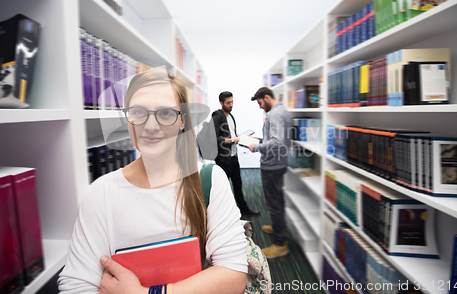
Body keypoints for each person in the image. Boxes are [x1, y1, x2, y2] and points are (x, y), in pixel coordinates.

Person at [58, 70, 247, 294]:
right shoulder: (101, 192)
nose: (150, 125)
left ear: (182, 121)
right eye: (138, 112)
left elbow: (233, 277)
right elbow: (77, 286)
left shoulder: (210, 179)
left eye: (165, 113)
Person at [248, 87, 292, 259]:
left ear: (266, 98)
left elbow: (277, 142)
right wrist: (259, 140)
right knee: (278, 200)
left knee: (273, 203)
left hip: (272, 167)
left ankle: (279, 244)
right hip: (279, 164)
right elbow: (276, 139)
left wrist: (256, 147)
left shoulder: (274, 115)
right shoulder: (283, 111)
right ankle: (279, 227)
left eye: (260, 103)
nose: (260, 107)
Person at [212, 91, 260, 217]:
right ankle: (222, 215)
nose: (231, 105)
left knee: (238, 185)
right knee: (222, 189)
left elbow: (232, 135)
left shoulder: (231, 117)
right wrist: (234, 140)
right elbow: (215, 139)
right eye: (228, 103)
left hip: (234, 157)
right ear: (221, 103)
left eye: (232, 102)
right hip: (223, 159)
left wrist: (242, 137)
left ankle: (244, 210)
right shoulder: (216, 117)